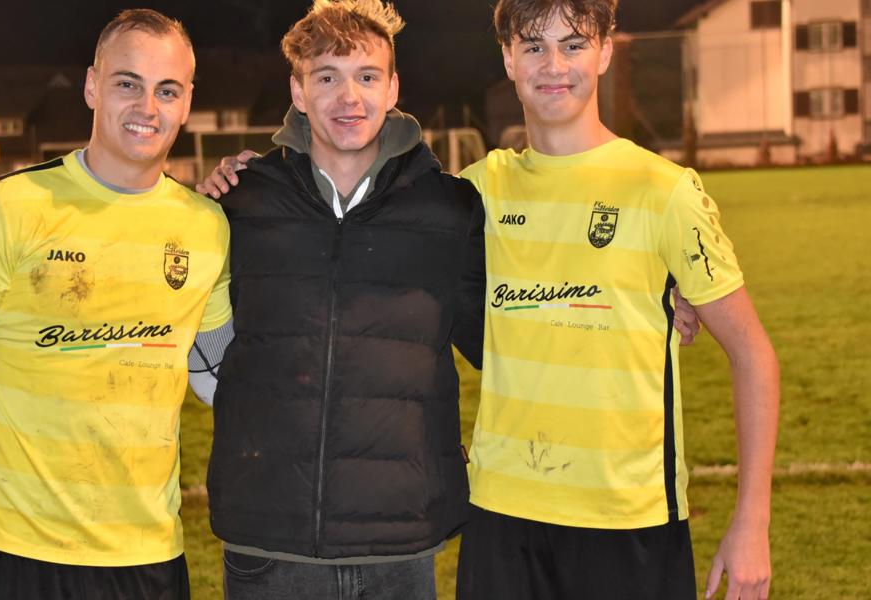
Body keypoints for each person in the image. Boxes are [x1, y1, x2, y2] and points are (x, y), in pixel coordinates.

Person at [0, 9, 231, 600]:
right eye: (128, 83)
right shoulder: (10, 206)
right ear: (93, 86)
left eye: (167, 90)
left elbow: (217, 372)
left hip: (148, 558)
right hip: (9, 551)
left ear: (187, 101)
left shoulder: (207, 227)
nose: (148, 108)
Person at [453, 1, 780, 599]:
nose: (554, 64)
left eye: (573, 44)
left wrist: (752, 521)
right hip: (501, 517)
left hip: (629, 522)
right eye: (533, 46)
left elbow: (753, 355)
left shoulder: (666, 192)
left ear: (605, 50)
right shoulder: (474, 194)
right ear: (507, 59)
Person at [193, 1, 486, 598]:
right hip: (269, 537)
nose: (348, 96)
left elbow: (510, 331)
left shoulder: (448, 210)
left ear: (393, 87)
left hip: (400, 542)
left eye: (367, 76)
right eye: (326, 76)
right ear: (298, 90)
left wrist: (654, 295)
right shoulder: (240, 202)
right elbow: (157, 305)